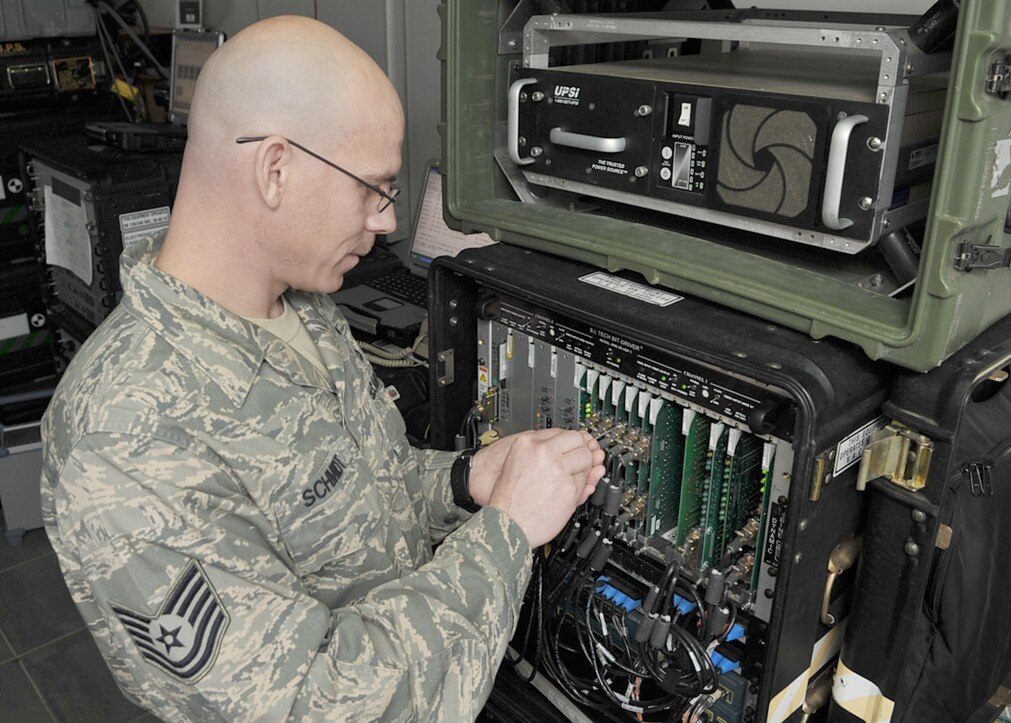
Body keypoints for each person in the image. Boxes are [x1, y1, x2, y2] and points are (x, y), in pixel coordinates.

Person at [39, 15, 605, 721]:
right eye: (374, 187)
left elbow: (367, 498)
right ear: (276, 169)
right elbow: (315, 703)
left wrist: (465, 483)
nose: (382, 222)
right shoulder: (123, 437)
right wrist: (509, 531)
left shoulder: (302, 309)